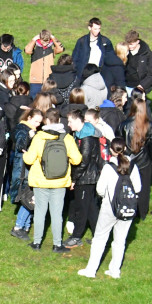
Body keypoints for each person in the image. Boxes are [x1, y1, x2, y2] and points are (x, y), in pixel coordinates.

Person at [78, 138, 141, 279]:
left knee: (100, 238)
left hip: (109, 207)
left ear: (111, 150)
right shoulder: (133, 166)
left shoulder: (108, 168)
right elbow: (138, 188)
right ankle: (115, 271)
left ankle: (91, 270)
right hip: (128, 208)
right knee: (120, 241)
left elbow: (100, 189)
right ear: (124, 148)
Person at [22, 108, 82, 252]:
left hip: (40, 181)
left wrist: (24, 154)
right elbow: (77, 159)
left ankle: (37, 243)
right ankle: (57, 244)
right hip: (60, 181)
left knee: (40, 212)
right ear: (59, 121)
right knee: (57, 213)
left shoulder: (39, 137)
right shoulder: (67, 138)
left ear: (46, 121)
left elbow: (29, 160)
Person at [64, 109, 102, 248]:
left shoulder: (86, 138)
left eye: (70, 121)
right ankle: (99, 235)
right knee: (91, 207)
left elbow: (83, 161)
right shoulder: (82, 134)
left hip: (86, 177)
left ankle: (76, 236)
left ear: (79, 121)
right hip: (88, 176)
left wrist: (74, 179)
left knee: (82, 208)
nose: (68, 124)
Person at [118, 94, 152, 220]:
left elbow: (118, 140)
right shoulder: (149, 124)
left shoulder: (124, 124)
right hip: (144, 161)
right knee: (144, 188)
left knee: (129, 186)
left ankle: (129, 208)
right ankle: (142, 212)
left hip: (128, 160)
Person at [10, 109, 43, 239]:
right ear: (29, 118)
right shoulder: (23, 129)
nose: (37, 124)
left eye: (39, 122)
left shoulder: (29, 129)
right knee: (28, 196)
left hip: (26, 168)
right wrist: (29, 137)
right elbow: (20, 146)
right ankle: (19, 226)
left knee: (29, 196)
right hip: (23, 169)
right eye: (36, 121)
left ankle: (26, 225)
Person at [71, 17, 116, 85]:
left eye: (99, 28)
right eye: (95, 29)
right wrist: (75, 75)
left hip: (99, 74)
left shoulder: (106, 42)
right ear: (89, 28)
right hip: (84, 74)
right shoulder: (81, 41)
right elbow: (74, 59)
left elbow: (111, 59)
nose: (97, 31)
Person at [25, 29, 65, 97]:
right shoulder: (35, 48)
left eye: (47, 42)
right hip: (35, 81)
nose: (45, 44)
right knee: (33, 100)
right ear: (39, 39)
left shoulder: (51, 50)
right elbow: (27, 51)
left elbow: (60, 49)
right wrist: (34, 39)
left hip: (48, 81)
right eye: (43, 41)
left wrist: (53, 37)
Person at [124, 30, 152, 95]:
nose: (129, 46)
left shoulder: (147, 54)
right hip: (125, 86)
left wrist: (141, 86)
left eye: (131, 44)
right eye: (128, 44)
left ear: (137, 42)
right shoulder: (124, 51)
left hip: (139, 88)